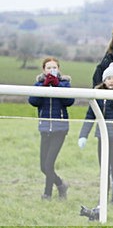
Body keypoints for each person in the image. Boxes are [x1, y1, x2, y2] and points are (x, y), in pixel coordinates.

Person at [78, 63, 113, 203]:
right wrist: (83, 135)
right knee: (103, 168)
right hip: (102, 137)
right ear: (104, 80)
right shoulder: (97, 95)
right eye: (108, 78)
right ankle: (103, 197)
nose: (111, 81)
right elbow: (90, 115)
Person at [28, 56, 74, 200]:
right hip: (45, 128)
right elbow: (33, 101)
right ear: (44, 70)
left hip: (60, 129)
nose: (52, 70)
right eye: (49, 68)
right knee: (43, 166)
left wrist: (57, 86)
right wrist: (44, 87)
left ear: (59, 69)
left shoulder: (65, 83)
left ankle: (47, 194)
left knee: (49, 164)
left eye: (54, 67)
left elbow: (69, 101)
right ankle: (61, 184)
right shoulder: (38, 84)